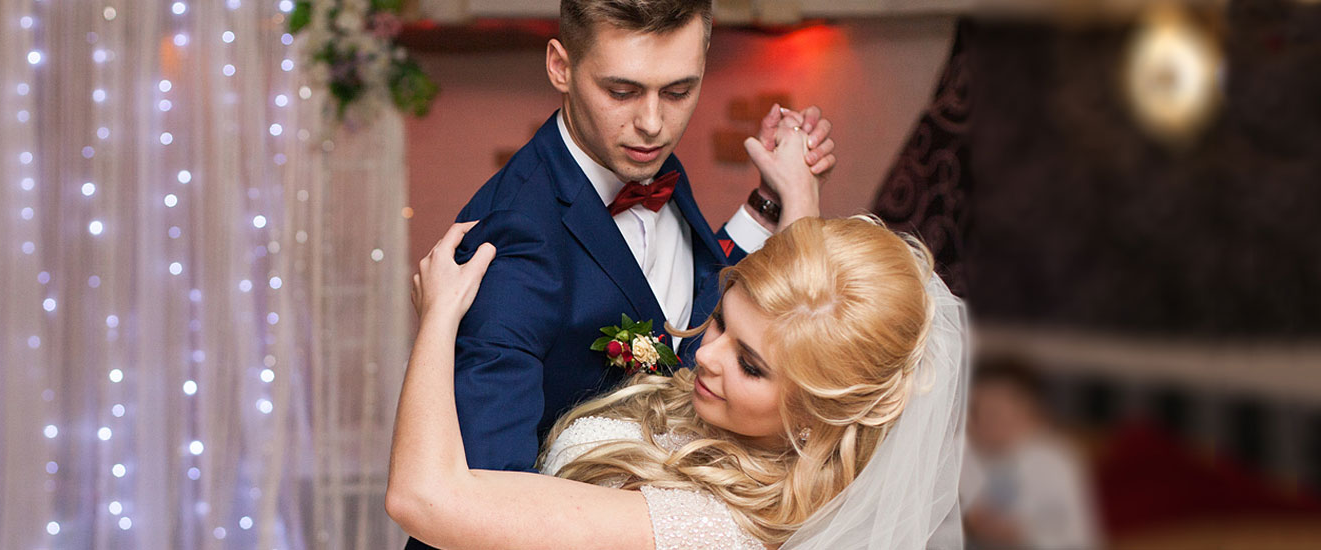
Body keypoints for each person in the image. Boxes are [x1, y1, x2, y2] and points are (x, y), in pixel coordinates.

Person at [389, 124, 970, 548]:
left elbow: (426, 501)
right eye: (720, 320)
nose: (704, 355)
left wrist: (440, 318)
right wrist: (789, 198)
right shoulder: (757, 416)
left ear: (815, 413)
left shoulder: (709, 527)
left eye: (750, 366)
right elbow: (795, 322)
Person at [436, 0, 835, 517]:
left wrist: (767, 206)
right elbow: (486, 495)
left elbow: (681, 305)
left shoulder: (633, 153)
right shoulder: (511, 242)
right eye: (621, 91)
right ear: (561, 66)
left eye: (679, 90)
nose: (652, 123)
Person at [961, 359, 1102, 550]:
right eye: (977, 411)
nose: (984, 423)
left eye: (995, 413)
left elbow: (1080, 538)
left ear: (1028, 413)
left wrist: (1021, 534)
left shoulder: (1056, 461)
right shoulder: (964, 454)